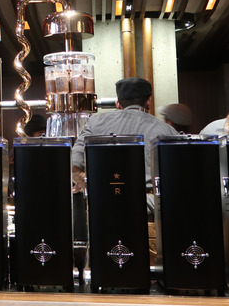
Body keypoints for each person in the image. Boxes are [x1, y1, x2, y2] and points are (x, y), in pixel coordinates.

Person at [71, 77, 177, 215]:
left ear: (118, 103)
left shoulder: (95, 123)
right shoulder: (167, 130)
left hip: (104, 204)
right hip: (148, 208)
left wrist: (90, 185)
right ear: (148, 101)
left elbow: (73, 163)